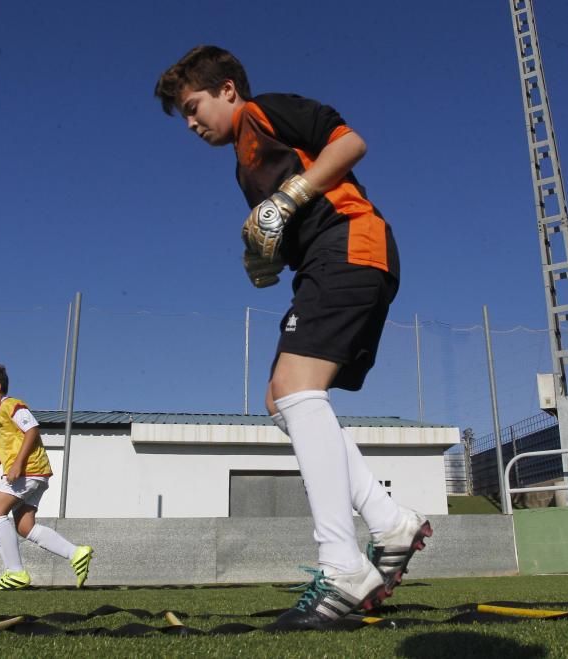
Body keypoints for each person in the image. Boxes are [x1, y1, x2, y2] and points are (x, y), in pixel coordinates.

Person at [155, 46, 433, 629]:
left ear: (227, 89)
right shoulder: (240, 166)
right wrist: (261, 258)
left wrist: (287, 197)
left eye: (193, 105)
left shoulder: (268, 111)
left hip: (353, 243)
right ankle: (389, 522)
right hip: (321, 263)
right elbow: (279, 234)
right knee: (281, 400)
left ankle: (342, 564)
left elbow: (350, 144)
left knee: (294, 388)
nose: (190, 122)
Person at [0, 364, 93, 590]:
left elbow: (32, 431)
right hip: (33, 473)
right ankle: (76, 553)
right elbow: (4, 446)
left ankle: (15, 573)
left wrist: (18, 464)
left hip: (29, 469)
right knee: (25, 526)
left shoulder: (13, 405)